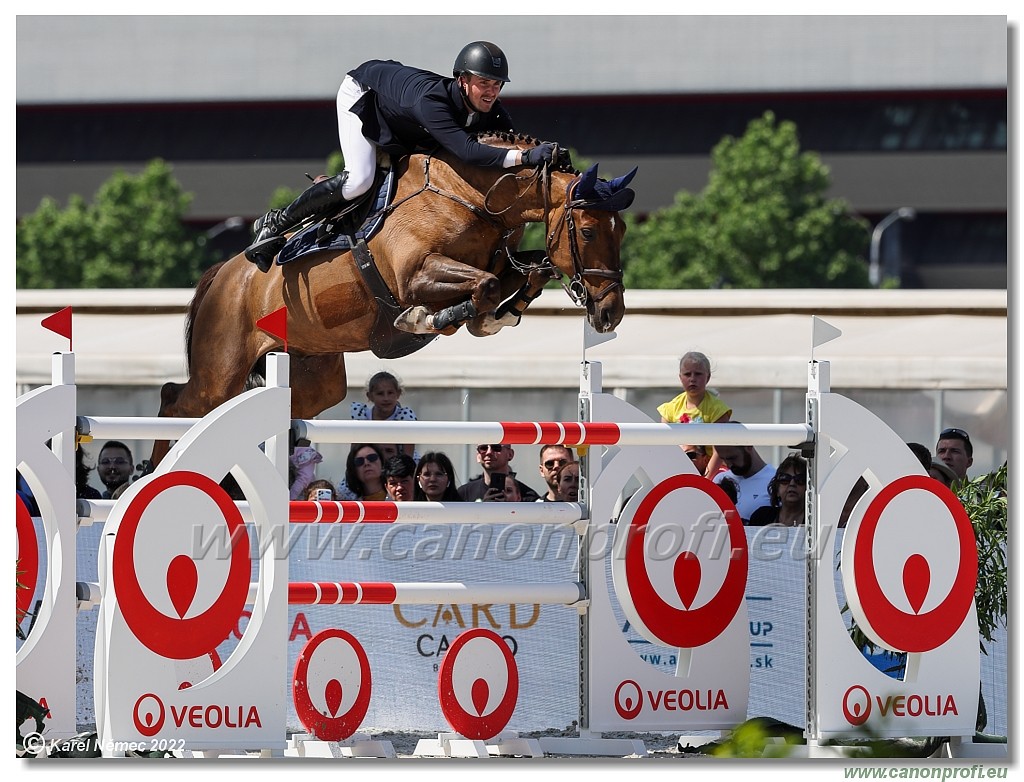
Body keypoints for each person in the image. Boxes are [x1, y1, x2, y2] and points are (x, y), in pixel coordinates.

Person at [245, 42, 556, 272]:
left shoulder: (492, 110)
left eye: (497, 85)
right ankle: (276, 222)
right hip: (365, 95)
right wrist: (525, 159)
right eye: (484, 83)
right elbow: (468, 152)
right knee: (359, 181)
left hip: (403, 117)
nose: (492, 91)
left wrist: (548, 161)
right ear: (463, 80)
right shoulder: (433, 102)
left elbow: (508, 147)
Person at [658, 351, 732, 475]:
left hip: (714, 469)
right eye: (687, 374)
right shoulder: (670, 409)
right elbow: (665, 449)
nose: (692, 379)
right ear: (680, 377)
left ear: (707, 377)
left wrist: (706, 479)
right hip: (679, 466)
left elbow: (719, 451)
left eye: (698, 374)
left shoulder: (717, 409)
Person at [350, 371, 418, 459]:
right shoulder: (362, 417)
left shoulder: (405, 417)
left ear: (398, 393)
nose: (386, 398)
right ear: (370, 396)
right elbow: (354, 454)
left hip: (398, 466)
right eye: (380, 394)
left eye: (390, 393)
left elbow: (408, 457)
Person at [712, 435, 775, 523]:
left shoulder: (775, 481)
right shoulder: (720, 479)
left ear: (748, 446)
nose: (729, 465)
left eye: (733, 458)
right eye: (723, 459)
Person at [457, 443, 539, 502]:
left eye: (496, 447)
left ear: (510, 454)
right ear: (478, 456)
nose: (489, 452)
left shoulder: (529, 497)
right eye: (483, 448)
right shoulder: (463, 494)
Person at [749, 454, 808, 527]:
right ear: (777, 489)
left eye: (800, 480)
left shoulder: (814, 520)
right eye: (785, 479)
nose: (792, 484)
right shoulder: (760, 517)